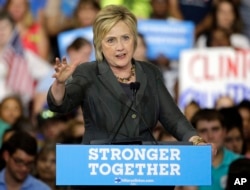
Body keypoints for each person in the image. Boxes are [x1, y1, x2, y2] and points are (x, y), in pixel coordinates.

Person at [47, 5, 216, 189]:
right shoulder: (88, 72)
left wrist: (197, 141)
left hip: (145, 175)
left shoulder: (150, 73)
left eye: (125, 38)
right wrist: (60, 84)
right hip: (98, 176)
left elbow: (174, 119)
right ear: (99, 44)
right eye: (111, 40)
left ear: (134, 40)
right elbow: (61, 104)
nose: (120, 47)